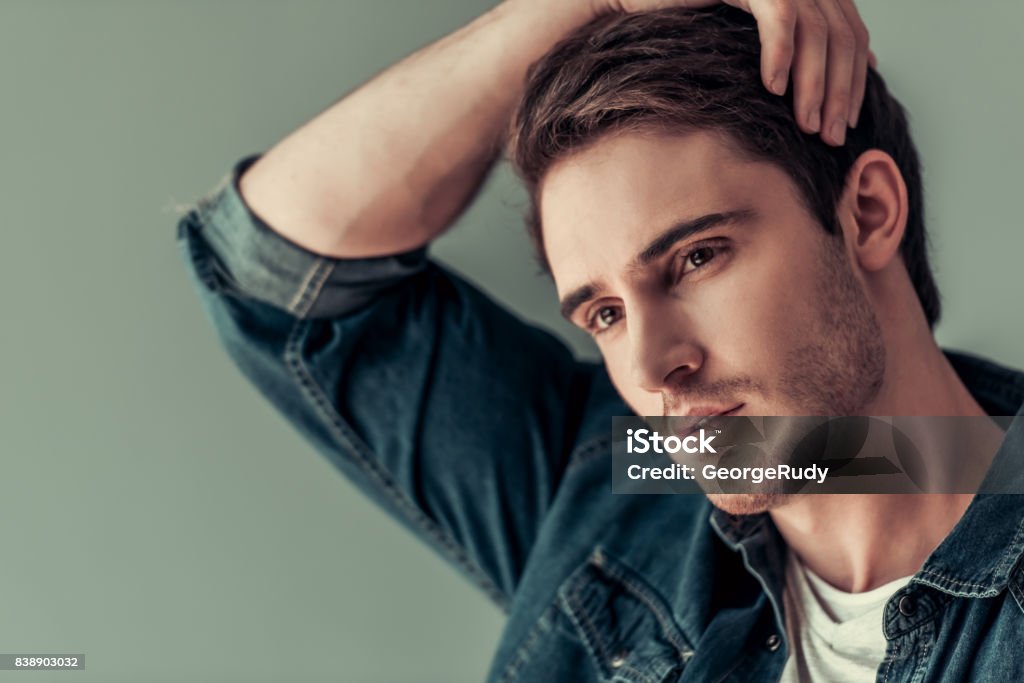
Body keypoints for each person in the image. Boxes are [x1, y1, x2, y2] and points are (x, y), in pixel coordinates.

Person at [175, 0, 1024, 680]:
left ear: (866, 214)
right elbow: (270, 271)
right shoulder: (614, 488)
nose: (656, 368)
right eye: (605, 313)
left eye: (695, 258)